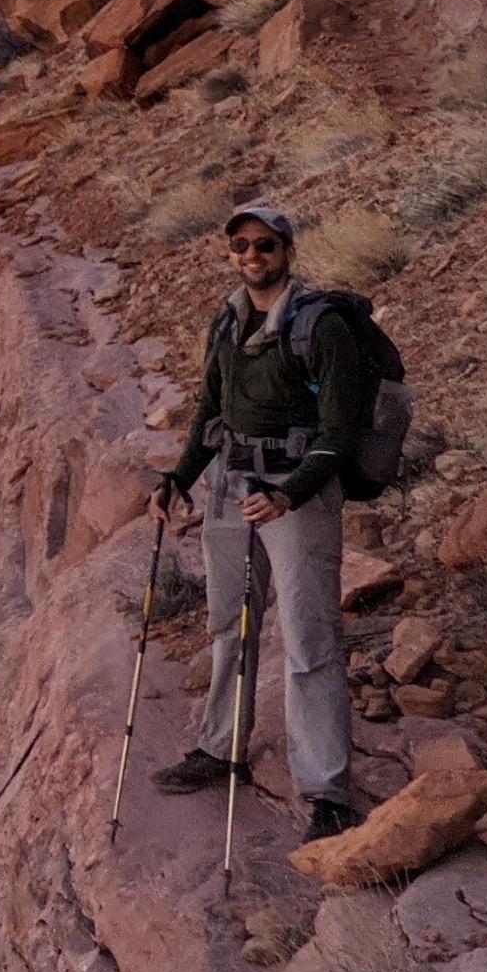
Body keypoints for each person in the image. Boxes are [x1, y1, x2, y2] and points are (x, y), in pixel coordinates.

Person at [149, 198, 372, 844]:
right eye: (241, 246)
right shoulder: (228, 320)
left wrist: (290, 494)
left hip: (296, 497)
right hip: (233, 487)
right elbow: (209, 410)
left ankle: (326, 790)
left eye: (265, 246)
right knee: (230, 625)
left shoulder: (320, 325)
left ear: (287, 251)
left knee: (309, 640)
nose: (252, 256)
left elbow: (339, 432)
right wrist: (179, 478)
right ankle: (221, 750)